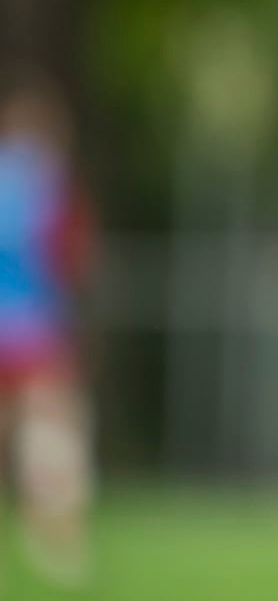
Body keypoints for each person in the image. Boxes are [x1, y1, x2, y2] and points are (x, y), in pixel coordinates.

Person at [0, 67, 94, 587]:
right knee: (53, 435)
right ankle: (58, 541)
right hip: (36, 330)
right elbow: (72, 259)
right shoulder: (51, 186)